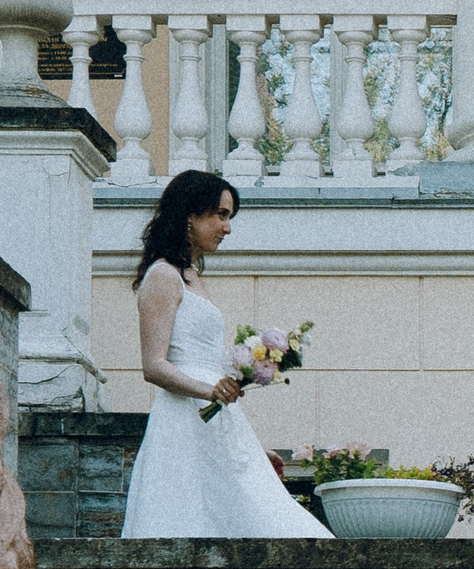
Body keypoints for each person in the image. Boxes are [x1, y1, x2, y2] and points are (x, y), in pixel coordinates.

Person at [119, 170, 330, 540]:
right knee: (187, 520)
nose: (227, 227)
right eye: (220, 214)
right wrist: (210, 392)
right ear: (190, 215)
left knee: (262, 514)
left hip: (213, 419)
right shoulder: (163, 277)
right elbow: (153, 366)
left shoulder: (191, 277)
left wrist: (248, 444)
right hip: (182, 424)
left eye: (228, 216)